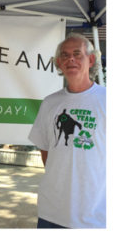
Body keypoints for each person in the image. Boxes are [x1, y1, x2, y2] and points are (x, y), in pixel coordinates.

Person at [28, 34, 105, 228]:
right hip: (52, 212)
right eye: (65, 55)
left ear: (91, 59)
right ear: (59, 63)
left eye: (77, 54)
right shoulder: (50, 103)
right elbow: (46, 150)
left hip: (96, 214)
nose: (71, 59)